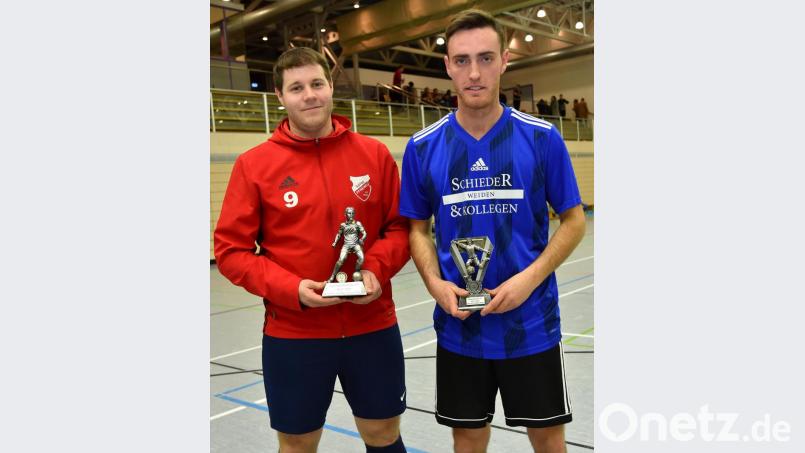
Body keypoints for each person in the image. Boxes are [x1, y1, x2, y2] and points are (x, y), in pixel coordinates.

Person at [399, 9, 586, 453]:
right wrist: (434, 284)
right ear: (447, 66)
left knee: (547, 438)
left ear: (504, 60)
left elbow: (574, 221)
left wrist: (528, 279)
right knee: (467, 438)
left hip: (532, 324)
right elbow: (417, 229)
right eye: (461, 60)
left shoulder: (542, 139)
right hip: (460, 328)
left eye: (485, 58)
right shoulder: (422, 148)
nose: (475, 73)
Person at [214, 46, 411, 453]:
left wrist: (374, 269)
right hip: (294, 334)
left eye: (317, 84)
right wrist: (291, 290)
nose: (310, 95)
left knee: (383, 435)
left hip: (371, 327)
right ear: (280, 97)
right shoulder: (255, 165)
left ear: (331, 86)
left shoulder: (373, 154)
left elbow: (401, 228)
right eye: (297, 87)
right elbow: (231, 251)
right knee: (299, 442)